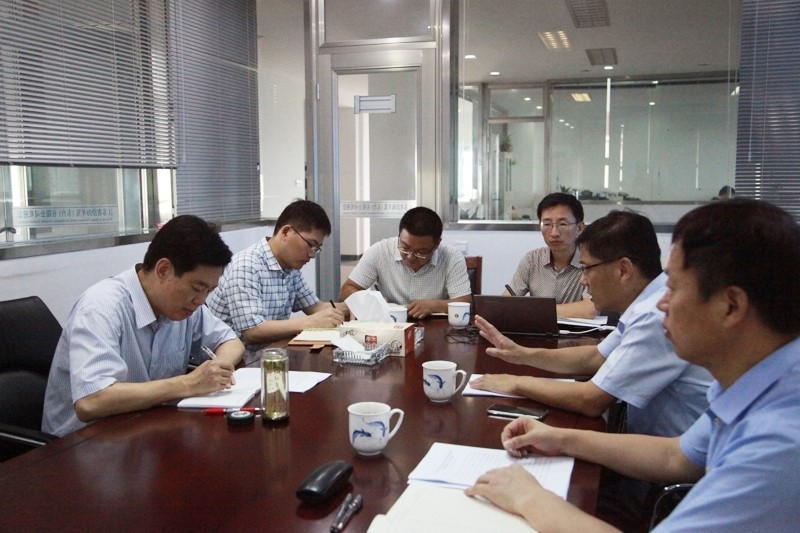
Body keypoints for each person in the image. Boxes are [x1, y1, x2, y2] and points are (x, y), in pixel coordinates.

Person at [466, 199, 800, 532]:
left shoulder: (778, 443)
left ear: (731, 306)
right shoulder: (759, 383)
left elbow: (596, 400)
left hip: (661, 499)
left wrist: (529, 498)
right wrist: (560, 438)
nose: (663, 303)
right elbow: (676, 456)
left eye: (674, 288)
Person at [472, 210, 711, 438]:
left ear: (623, 270)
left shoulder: (654, 315)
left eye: (586, 269)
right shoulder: (644, 305)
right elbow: (596, 357)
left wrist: (516, 383)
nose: (583, 280)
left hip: (671, 457)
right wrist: (521, 354)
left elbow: (591, 400)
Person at [43, 215, 245, 437]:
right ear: (163, 269)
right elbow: (91, 402)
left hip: (147, 430)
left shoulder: (184, 307)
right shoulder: (101, 307)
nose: (201, 300)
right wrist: (189, 383)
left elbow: (231, 341)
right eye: (197, 288)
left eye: (209, 291)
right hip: (84, 443)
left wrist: (216, 370)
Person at [207, 199, 345, 363]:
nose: (312, 255)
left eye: (316, 249)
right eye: (310, 244)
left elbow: (314, 307)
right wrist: (310, 322)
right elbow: (253, 331)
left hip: (270, 354)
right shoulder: (246, 266)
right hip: (238, 364)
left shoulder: (290, 268)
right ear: (285, 232)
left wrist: (357, 306)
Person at [339, 206, 472, 319]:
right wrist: (369, 300)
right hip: (389, 323)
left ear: (436, 244)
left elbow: (465, 303)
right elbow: (347, 290)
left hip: (435, 327)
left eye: (420, 252)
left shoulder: (451, 257)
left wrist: (433, 306)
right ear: (399, 236)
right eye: (405, 247)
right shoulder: (380, 251)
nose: (410, 257)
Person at [503, 193, 595, 318]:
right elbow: (506, 303)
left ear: (579, 228)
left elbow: (590, 309)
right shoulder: (532, 260)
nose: (554, 233)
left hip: (578, 331)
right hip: (538, 329)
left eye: (563, 224)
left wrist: (533, 309)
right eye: (547, 224)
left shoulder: (592, 262)